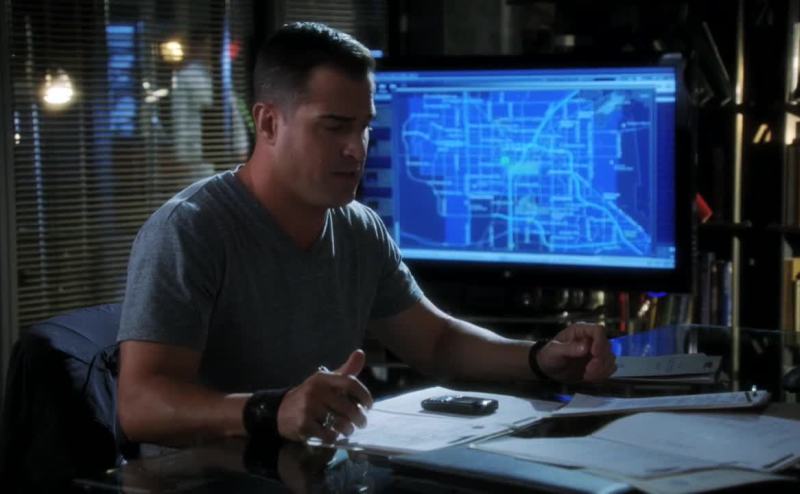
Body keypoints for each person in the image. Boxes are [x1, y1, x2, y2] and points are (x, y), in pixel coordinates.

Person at [117, 22, 616, 447]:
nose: (357, 149)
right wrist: (271, 410)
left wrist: (540, 358)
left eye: (363, 127)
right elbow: (138, 407)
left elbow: (437, 343)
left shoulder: (357, 226)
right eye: (334, 127)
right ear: (268, 122)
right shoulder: (191, 229)